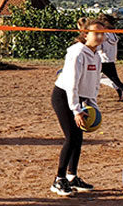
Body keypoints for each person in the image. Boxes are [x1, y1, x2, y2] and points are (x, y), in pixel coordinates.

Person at [50, 18, 106, 196]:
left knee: (78, 138)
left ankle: (72, 176)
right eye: (95, 33)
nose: (99, 36)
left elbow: (94, 83)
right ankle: (59, 179)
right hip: (64, 95)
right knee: (71, 137)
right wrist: (76, 109)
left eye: (102, 33)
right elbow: (72, 83)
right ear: (85, 34)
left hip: (81, 99)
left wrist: (92, 105)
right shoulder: (77, 53)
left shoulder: (97, 55)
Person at [96, 14, 123, 105]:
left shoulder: (104, 35)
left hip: (103, 61)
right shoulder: (113, 34)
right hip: (110, 60)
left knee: (93, 79)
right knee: (101, 79)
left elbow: (98, 48)